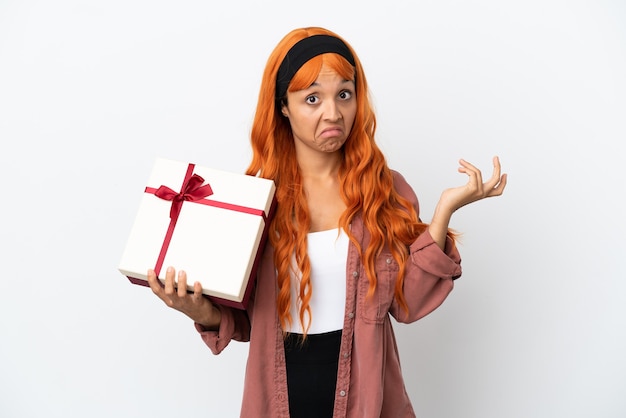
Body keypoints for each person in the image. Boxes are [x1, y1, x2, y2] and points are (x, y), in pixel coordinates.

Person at [146, 26, 507, 418]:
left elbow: (409, 304)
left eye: (344, 95)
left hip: (368, 401)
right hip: (279, 399)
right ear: (283, 105)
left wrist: (443, 213)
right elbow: (249, 321)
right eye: (312, 98)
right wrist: (202, 313)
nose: (333, 113)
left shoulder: (384, 191)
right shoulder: (254, 201)